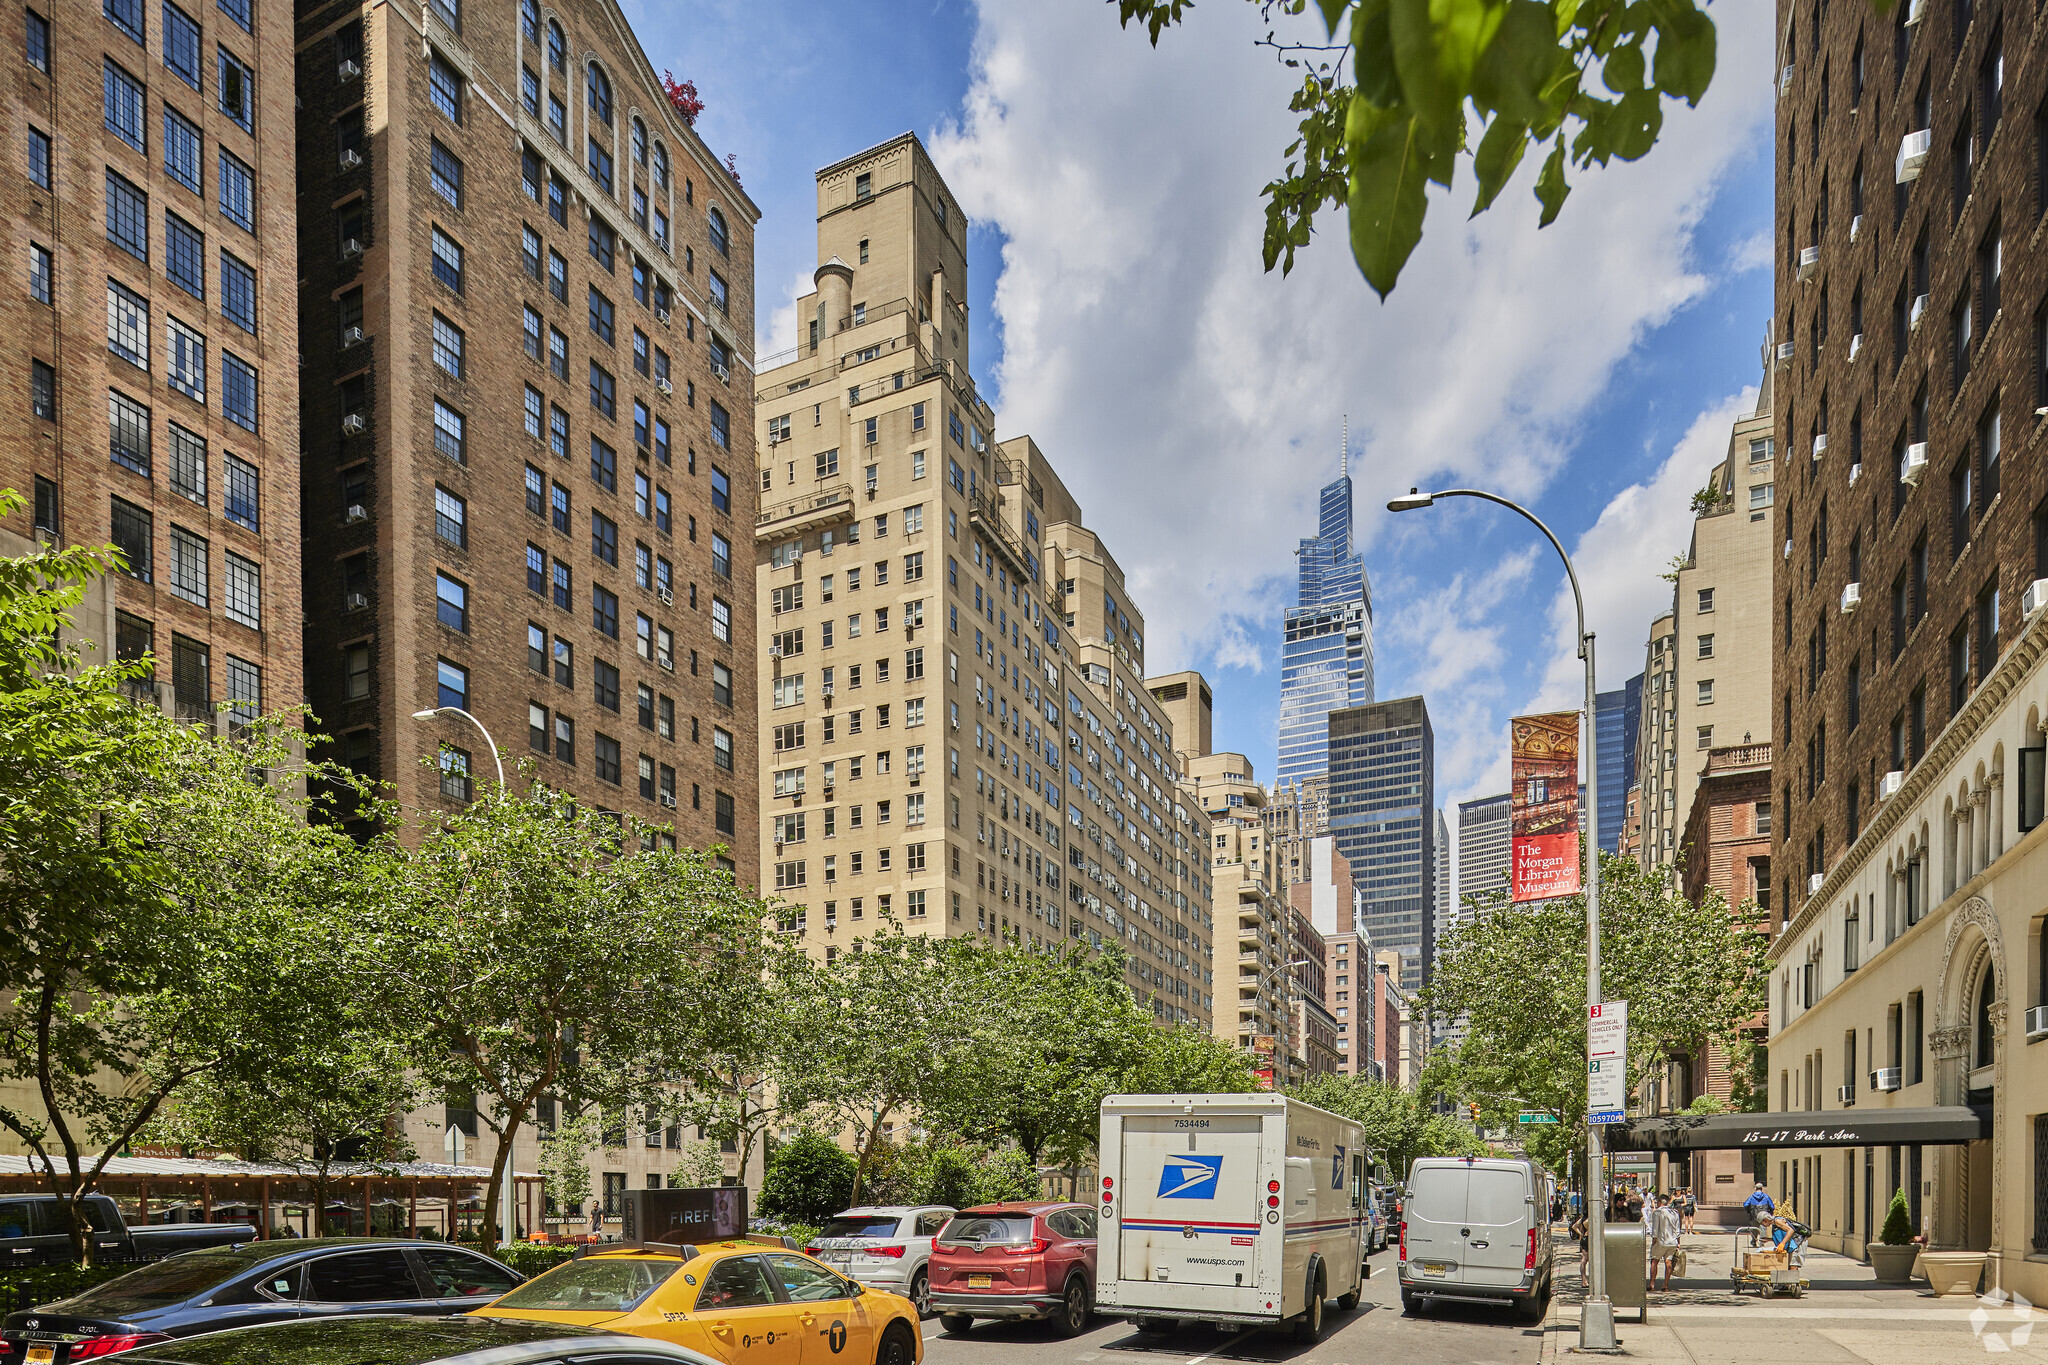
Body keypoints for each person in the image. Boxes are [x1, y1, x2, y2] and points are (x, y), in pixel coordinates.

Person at [1649, 1195, 1682, 1290]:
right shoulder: (1674, 1213)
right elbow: (1677, 1229)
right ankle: (1666, 1285)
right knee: (1668, 1262)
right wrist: (1678, 1242)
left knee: (1655, 1261)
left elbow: (1655, 1228)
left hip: (1660, 1240)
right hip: (1672, 1241)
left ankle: (1652, 1284)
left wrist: (1654, 1240)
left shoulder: (1657, 1212)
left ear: (1659, 1202)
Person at [1742, 1181, 1776, 1245]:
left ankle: (1754, 1241)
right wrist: (1770, 1213)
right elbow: (1772, 1206)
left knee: (1754, 1229)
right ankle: (1762, 1243)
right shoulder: (1766, 1197)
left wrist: (1749, 1211)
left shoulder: (1751, 1197)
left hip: (1754, 1215)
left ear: (1755, 1188)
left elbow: (1746, 1205)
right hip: (1764, 1215)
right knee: (1763, 1228)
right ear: (1762, 1188)